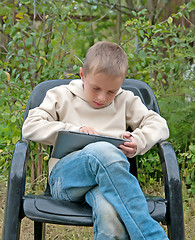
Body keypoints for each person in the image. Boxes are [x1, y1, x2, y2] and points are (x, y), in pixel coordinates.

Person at [22, 41, 169, 240]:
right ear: (83, 75)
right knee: (102, 151)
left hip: (109, 184)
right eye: (96, 88)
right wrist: (74, 130)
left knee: (110, 214)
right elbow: (30, 126)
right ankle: (152, 236)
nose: (102, 97)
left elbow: (159, 124)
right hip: (65, 181)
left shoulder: (126, 99)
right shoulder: (61, 95)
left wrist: (138, 140)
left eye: (111, 92)